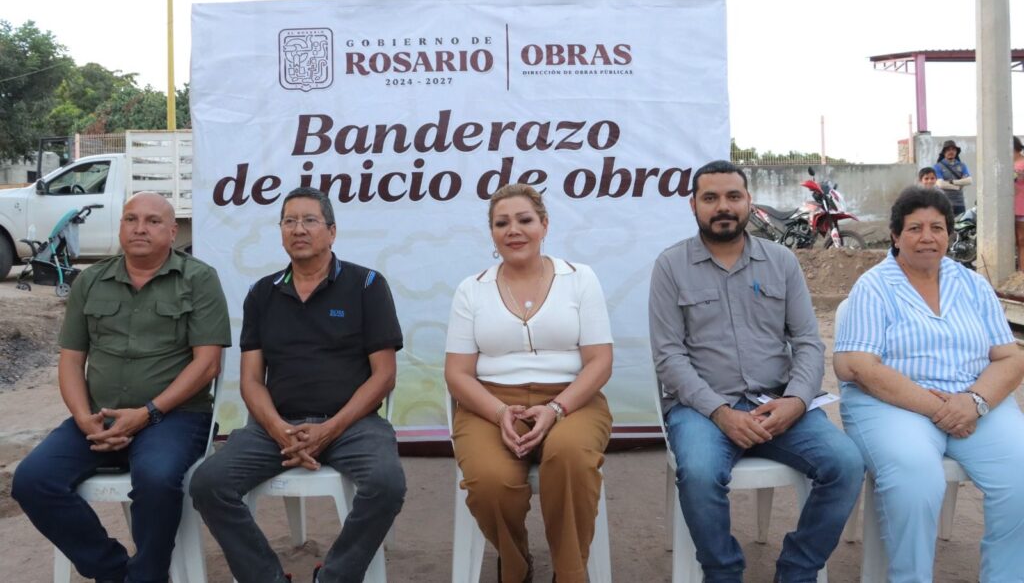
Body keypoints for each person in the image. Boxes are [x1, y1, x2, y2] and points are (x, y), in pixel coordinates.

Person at [649, 160, 864, 583]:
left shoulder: (781, 261)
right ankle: (723, 573)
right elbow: (669, 357)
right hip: (703, 410)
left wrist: (796, 401)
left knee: (846, 463)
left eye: (733, 196)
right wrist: (719, 412)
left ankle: (797, 571)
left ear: (749, 202)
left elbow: (806, 341)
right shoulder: (671, 266)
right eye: (710, 198)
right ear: (693, 205)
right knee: (700, 473)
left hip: (778, 404)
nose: (722, 207)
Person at [190, 186, 405, 583]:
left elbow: (384, 375)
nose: (298, 229)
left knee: (387, 484)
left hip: (352, 426)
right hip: (277, 427)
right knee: (208, 484)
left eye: (309, 220)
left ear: (332, 232)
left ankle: (335, 577)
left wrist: (329, 430)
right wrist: (280, 430)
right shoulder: (262, 293)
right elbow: (252, 380)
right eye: (289, 221)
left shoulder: (367, 285)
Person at [12, 192, 230, 583]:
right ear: (120, 227)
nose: (139, 228)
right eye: (131, 219)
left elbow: (207, 363)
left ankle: (148, 576)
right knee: (32, 480)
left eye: (151, 221)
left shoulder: (198, 279)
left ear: (172, 230)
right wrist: (83, 419)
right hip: (100, 417)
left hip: (175, 418)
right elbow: (72, 359)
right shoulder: (91, 280)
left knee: (157, 479)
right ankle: (113, 571)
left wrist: (147, 413)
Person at [834, 186, 1024, 582]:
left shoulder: (972, 284)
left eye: (937, 228)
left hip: (974, 402)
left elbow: (1011, 357)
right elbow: (858, 366)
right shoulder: (874, 286)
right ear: (895, 235)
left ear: (949, 235)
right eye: (915, 227)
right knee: (916, 479)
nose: (927, 237)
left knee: (1020, 476)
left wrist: (973, 402)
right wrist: (942, 409)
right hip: (892, 405)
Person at [445, 183, 613, 583]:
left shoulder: (580, 279)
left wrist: (556, 409)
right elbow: (457, 373)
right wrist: (500, 412)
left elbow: (600, 361)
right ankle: (515, 566)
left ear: (544, 225)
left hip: (572, 399)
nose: (513, 230)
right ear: (492, 233)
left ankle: (570, 574)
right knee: (490, 481)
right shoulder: (472, 290)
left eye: (524, 220)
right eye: (502, 223)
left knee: (569, 456)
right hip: (490, 404)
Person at [934, 139, 973, 216]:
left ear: (956, 152)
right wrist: (959, 186)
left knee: (960, 226)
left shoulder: (962, 165)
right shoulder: (937, 166)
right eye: (948, 150)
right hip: (944, 203)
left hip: (960, 203)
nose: (951, 152)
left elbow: (969, 181)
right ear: (944, 152)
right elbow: (940, 184)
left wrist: (952, 182)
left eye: (953, 149)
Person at [1014, 136, 1024, 272]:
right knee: (1015, 242)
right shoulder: (1004, 162)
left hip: (1021, 205)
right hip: (1008, 207)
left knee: (1022, 240)